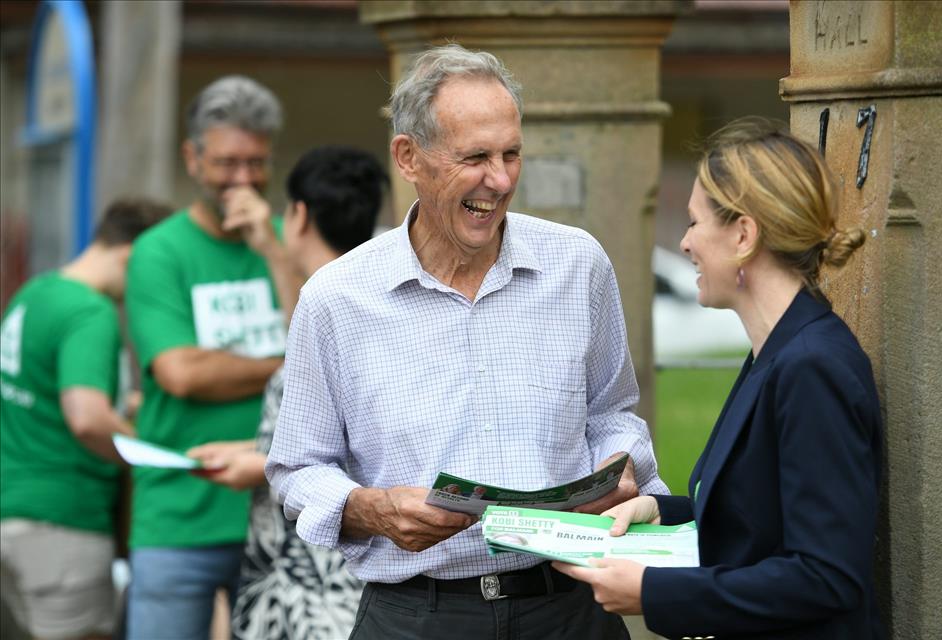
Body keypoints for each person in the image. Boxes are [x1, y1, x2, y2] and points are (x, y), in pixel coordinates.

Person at [266, 43, 667, 639]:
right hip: (414, 616)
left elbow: (612, 414)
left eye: (512, 154)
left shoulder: (577, 265)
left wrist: (618, 464)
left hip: (569, 609)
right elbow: (296, 469)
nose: (500, 180)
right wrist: (374, 510)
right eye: (475, 156)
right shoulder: (337, 297)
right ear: (408, 157)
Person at [553, 119, 884, 639]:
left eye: (692, 223)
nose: (684, 244)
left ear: (744, 235)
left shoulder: (811, 367)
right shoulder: (776, 352)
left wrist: (655, 593)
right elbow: (761, 519)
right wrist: (662, 511)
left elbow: (826, 576)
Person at [123, 75, 303, 639]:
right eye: (227, 163)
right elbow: (181, 373)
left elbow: (324, 353)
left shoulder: (285, 241)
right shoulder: (159, 250)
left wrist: (273, 253)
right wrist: (285, 365)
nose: (243, 179)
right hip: (180, 516)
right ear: (193, 159)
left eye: (256, 163)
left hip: (280, 516)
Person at [185, 145, 387, 639]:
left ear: (297, 215)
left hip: (316, 587)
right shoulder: (385, 296)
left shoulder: (331, 304)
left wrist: (254, 463)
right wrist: (249, 451)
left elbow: (337, 450)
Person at [0, 198, 171, 640]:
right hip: (63, 526)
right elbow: (88, 420)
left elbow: (42, 393)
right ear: (132, 255)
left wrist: (127, 407)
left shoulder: (35, 293)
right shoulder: (89, 311)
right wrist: (158, 460)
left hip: (13, 515)